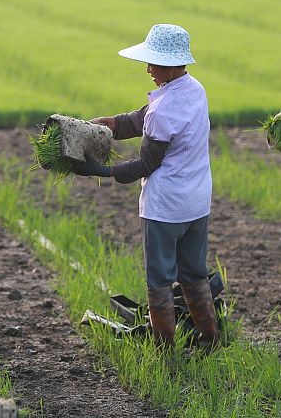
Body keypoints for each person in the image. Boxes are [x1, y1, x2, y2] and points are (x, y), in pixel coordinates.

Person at [75, 23, 218, 350]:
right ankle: (209, 339)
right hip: (197, 203)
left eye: (152, 64)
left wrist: (101, 171)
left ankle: (164, 352)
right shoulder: (195, 89)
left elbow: (146, 164)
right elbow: (142, 117)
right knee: (194, 273)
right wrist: (106, 125)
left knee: (159, 280)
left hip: (165, 208)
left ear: (169, 65)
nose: (148, 70)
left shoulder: (164, 109)